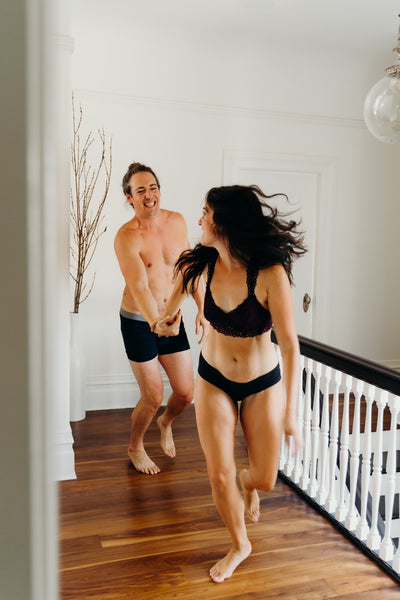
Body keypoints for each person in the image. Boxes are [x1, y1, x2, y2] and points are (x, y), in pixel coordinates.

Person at [154, 184, 306, 582]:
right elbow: (168, 311)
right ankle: (240, 544)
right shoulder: (197, 267)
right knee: (218, 472)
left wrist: (291, 414)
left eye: (206, 212)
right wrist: (166, 323)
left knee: (265, 478)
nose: (199, 218)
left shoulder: (270, 273)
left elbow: (290, 347)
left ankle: (247, 482)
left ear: (225, 221)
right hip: (215, 379)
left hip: (262, 383)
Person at [114, 162, 208, 475]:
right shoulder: (126, 236)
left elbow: (188, 270)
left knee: (185, 393)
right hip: (139, 321)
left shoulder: (176, 222)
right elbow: (139, 285)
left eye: (153, 187)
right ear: (129, 197)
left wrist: (202, 308)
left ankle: (165, 422)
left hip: (171, 317)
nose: (149, 194)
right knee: (153, 395)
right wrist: (156, 321)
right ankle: (135, 446)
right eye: (140, 190)